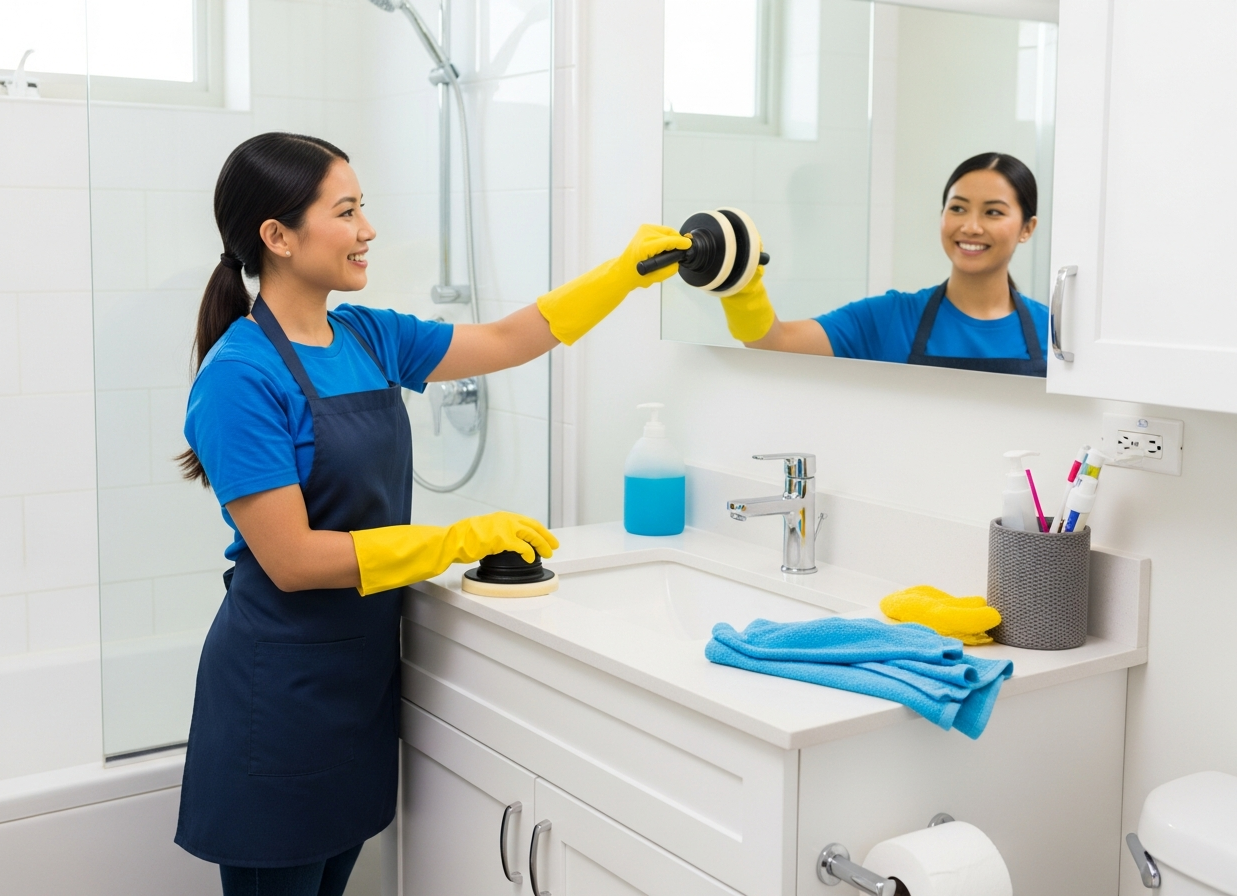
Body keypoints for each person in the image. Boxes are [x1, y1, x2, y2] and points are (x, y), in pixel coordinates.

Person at [172, 132, 689, 894]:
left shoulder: (369, 335)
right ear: (277, 237)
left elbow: (511, 340)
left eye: (363, 209)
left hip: (359, 682)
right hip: (275, 698)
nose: (368, 230)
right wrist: (450, 539)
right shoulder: (239, 375)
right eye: (346, 212)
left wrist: (620, 276)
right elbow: (291, 558)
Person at [716, 152, 1047, 377]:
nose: (971, 226)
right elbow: (777, 343)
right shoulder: (888, 318)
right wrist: (738, 281)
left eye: (993, 212)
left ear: (1027, 228)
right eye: (958, 208)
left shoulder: (1055, 333)